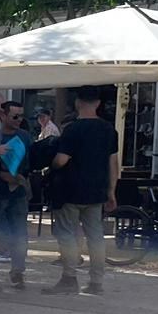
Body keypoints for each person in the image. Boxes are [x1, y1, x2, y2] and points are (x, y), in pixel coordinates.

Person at [44, 85, 118, 296]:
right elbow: (114, 163)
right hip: (97, 191)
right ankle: (96, 282)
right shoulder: (108, 130)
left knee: (67, 234)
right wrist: (111, 191)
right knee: (95, 236)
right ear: (98, 104)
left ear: (77, 103)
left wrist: (52, 165)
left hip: (71, 189)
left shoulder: (73, 129)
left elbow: (61, 160)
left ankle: (69, 278)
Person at [0, 100, 33, 289]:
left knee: (20, 233)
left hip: (18, 190)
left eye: (21, 116)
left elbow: (30, 161)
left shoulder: (25, 136)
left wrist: (21, 179)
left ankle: (18, 271)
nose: (18, 120)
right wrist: (3, 175)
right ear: (3, 115)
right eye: (14, 116)